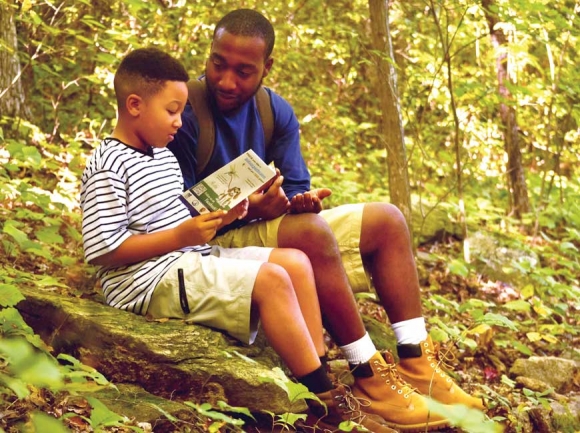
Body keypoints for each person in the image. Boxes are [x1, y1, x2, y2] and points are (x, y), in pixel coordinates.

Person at [168, 8, 485, 431]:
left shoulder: (273, 112)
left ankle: (416, 362)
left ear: (268, 67)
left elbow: (298, 186)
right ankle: (368, 375)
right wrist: (253, 211)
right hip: (207, 244)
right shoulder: (181, 111)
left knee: (388, 220)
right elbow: (171, 217)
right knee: (311, 233)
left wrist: (299, 202)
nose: (227, 81)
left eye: (244, 71)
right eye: (217, 64)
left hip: (258, 227)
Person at [79, 47, 396, 433]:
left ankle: (317, 382)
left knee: (294, 262)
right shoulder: (107, 164)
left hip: (187, 256)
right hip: (144, 281)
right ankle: (328, 408)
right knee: (272, 280)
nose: (180, 122)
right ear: (133, 105)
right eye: (172, 111)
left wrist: (225, 215)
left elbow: (176, 219)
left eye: (181, 112)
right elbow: (103, 251)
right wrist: (181, 235)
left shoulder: (161, 156)